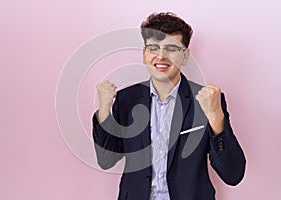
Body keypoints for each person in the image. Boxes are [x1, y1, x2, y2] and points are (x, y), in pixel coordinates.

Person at [92, 12, 246, 200]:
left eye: (171, 48)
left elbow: (233, 174)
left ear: (185, 56)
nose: (161, 56)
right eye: (153, 48)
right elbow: (107, 160)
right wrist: (104, 112)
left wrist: (216, 118)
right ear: (144, 54)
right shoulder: (126, 99)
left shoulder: (207, 100)